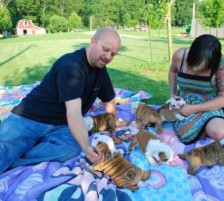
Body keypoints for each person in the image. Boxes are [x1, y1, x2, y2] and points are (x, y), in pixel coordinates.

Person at [0, 27, 129, 174]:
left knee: (70, 149)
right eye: (105, 49)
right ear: (92, 41)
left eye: (113, 54)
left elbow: (109, 99)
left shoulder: (100, 69)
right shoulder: (72, 66)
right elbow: (73, 113)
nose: (108, 57)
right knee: (3, 148)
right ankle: (13, 153)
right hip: (30, 117)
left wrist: (114, 120)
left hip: (61, 124)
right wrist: (87, 146)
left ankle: (17, 159)